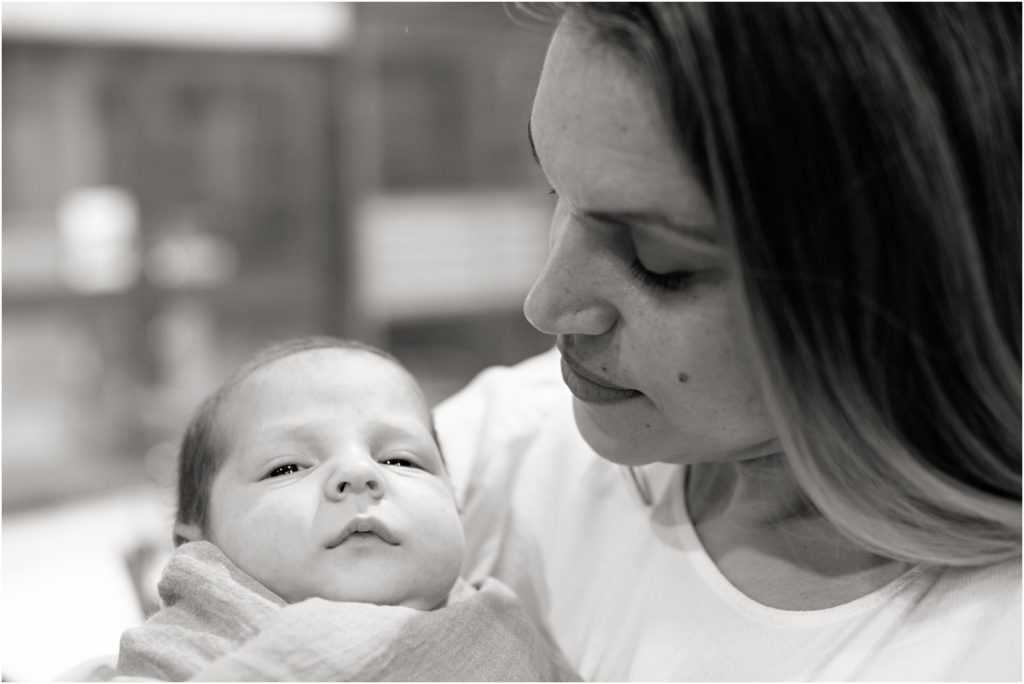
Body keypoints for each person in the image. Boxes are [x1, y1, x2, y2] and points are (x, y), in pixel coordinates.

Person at [432, 3, 1022, 681]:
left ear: (904, 282)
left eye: (658, 260)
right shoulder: (468, 458)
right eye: (555, 191)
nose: (546, 305)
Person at [108, 336, 579, 681]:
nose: (358, 473)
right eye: (287, 467)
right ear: (196, 549)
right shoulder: (183, 651)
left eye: (400, 459)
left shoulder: (504, 634)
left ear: (457, 508)